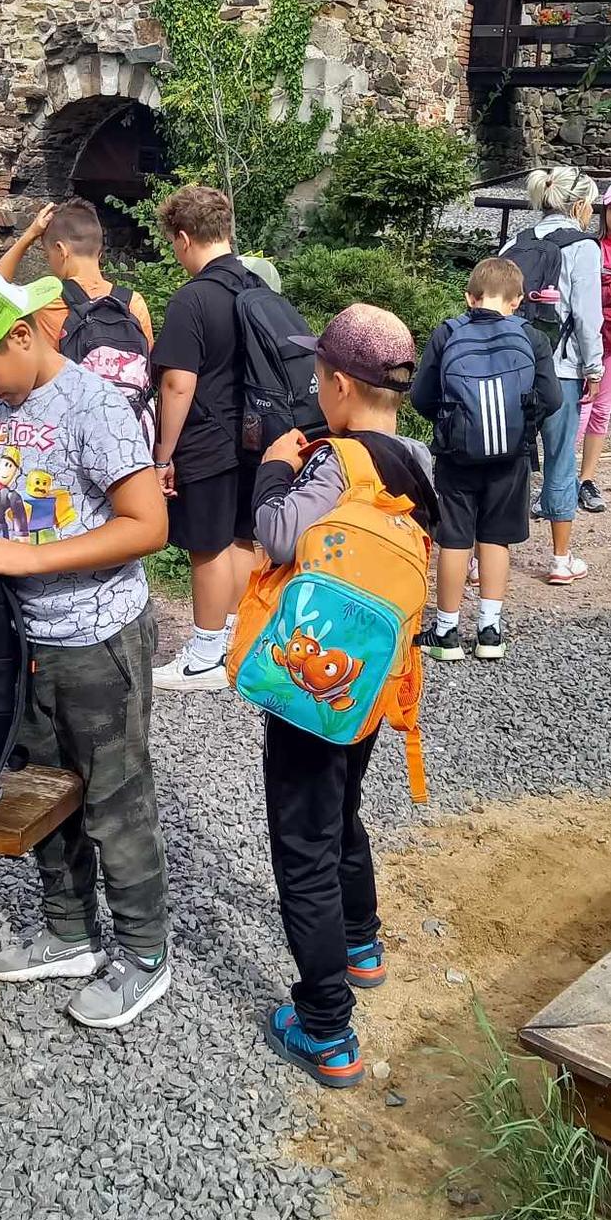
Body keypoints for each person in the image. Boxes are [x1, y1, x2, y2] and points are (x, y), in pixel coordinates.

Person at [0, 263, 171, 1030]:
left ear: (22, 335)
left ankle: (143, 952)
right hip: (19, 639)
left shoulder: (94, 405)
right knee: (41, 789)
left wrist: (33, 557)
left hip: (98, 637)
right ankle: (69, 931)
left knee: (113, 799)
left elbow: (147, 526)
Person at [253, 304, 437, 1089]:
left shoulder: (334, 462)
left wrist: (273, 468)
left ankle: (326, 1029)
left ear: (337, 384)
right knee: (341, 808)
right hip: (374, 679)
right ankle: (360, 942)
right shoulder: (416, 460)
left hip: (311, 684)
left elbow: (274, 535)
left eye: (316, 375)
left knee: (303, 848)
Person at [411, 257, 561, 662]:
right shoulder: (532, 337)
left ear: (470, 297)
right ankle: (489, 631)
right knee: (496, 537)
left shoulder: (447, 333)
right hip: (511, 457)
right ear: (517, 300)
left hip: (457, 456)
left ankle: (446, 633)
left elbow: (421, 396)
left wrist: (452, 423)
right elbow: (552, 399)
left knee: (454, 538)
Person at [150, 186, 257, 690]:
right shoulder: (256, 287)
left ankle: (205, 657)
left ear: (184, 238)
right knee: (241, 536)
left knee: (206, 545)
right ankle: (236, 640)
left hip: (208, 438)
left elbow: (177, 383)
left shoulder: (192, 299)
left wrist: (163, 455)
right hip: (257, 436)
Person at [502, 164, 603, 584]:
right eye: (590, 205)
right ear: (578, 205)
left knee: (508, 458)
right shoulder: (583, 248)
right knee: (561, 457)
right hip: (560, 369)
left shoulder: (516, 242)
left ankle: (480, 559)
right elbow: (587, 316)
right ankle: (560, 559)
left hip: (512, 366)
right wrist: (594, 367)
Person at [0, 198, 155, 350]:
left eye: (47, 255)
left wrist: (30, 235)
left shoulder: (47, 304)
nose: (48, 262)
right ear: (99, 252)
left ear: (61, 250)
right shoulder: (134, 303)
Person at [578, 183, 611, 513]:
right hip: (588, 342)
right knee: (580, 410)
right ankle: (560, 479)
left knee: (602, 411)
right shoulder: (591, 248)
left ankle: (586, 479)